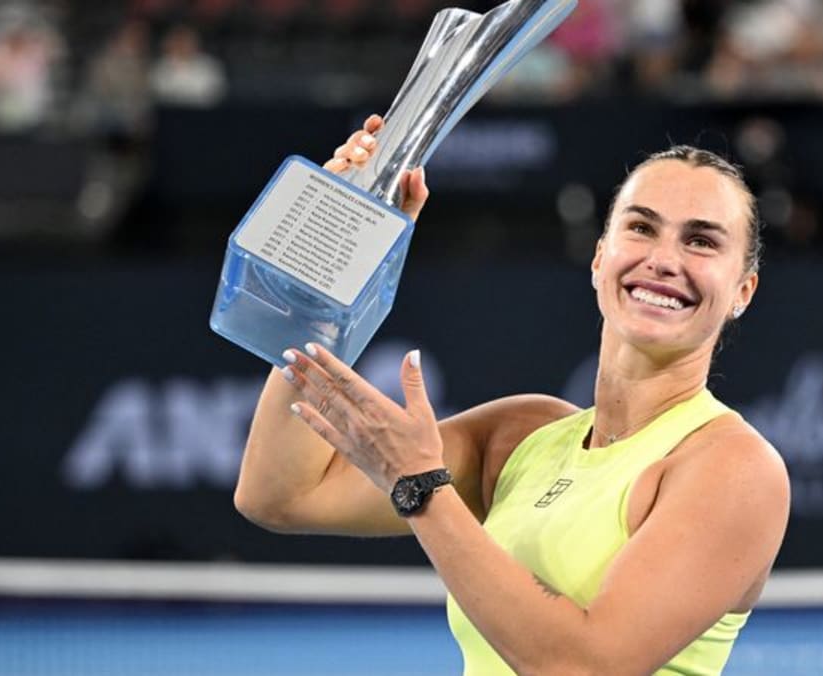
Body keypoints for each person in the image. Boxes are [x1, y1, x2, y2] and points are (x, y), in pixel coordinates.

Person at [234, 114, 791, 674]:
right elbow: (280, 494)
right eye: (642, 228)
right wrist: (336, 265)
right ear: (600, 257)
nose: (664, 260)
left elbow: (582, 669)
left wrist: (420, 487)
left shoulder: (735, 469)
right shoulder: (521, 436)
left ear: (743, 291)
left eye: (701, 241)